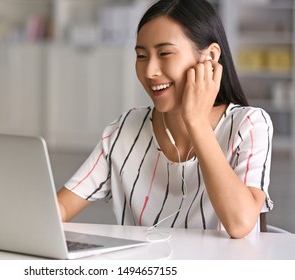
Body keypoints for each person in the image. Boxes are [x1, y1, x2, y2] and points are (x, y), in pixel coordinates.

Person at [57, 0, 273, 239]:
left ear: (210, 56)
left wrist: (196, 122)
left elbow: (240, 222)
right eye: (141, 55)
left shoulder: (250, 125)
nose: (150, 71)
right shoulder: (125, 129)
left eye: (165, 53)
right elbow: (63, 207)